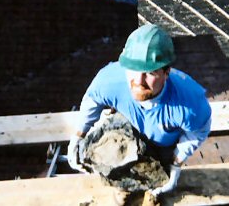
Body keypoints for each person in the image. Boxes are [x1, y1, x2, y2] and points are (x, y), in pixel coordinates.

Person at [67, 24, 212, 196]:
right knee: (108, 157)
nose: (138, 80)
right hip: (125, 128)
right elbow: (92, 99)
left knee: (156, 178)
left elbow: (198, 131)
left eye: (150, 72)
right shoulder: (109, 80)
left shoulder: (189, 104)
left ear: (167, 72)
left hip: (161, 145)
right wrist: (78, 137)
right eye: (133, 70)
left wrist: (176, 163)